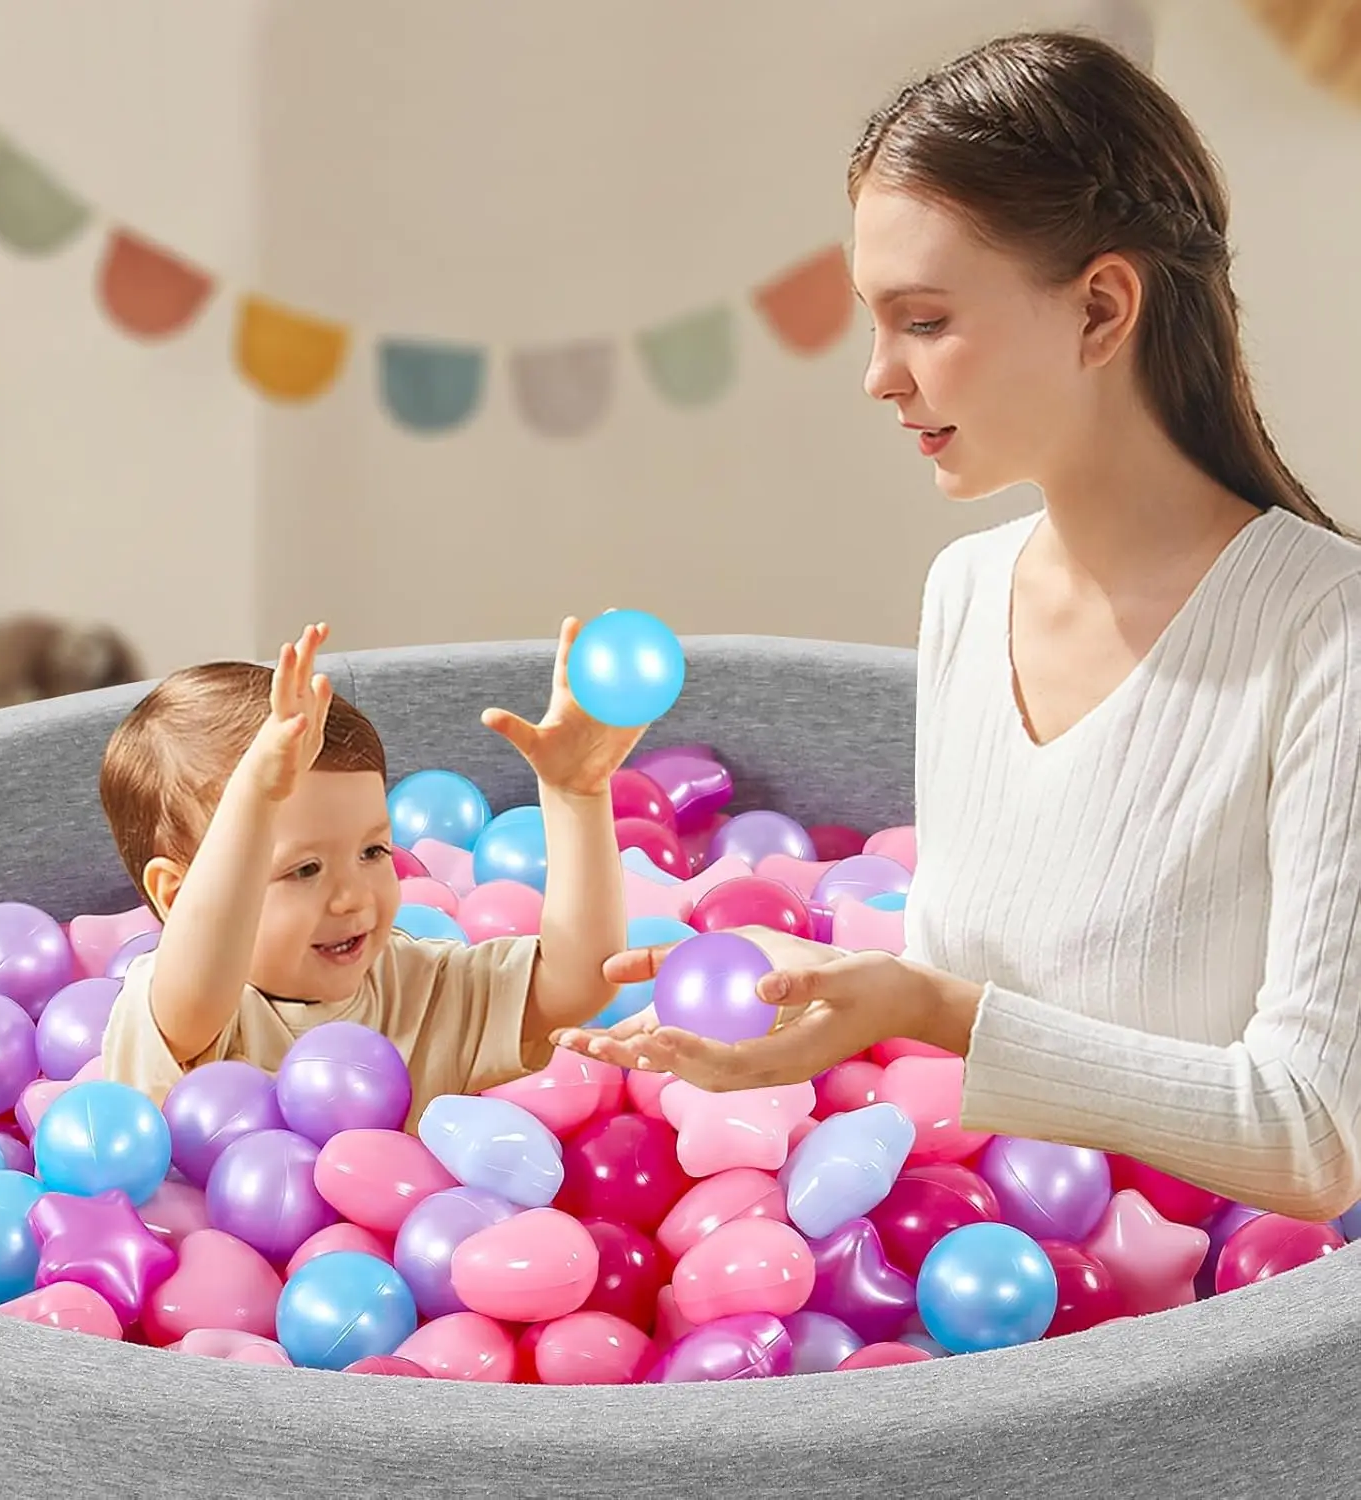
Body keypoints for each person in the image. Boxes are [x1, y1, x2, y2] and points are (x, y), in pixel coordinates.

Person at [554, 30, 1361, 1222]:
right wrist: (816, 1002)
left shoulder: (1326, 637)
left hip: (1212, 1340)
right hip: (979, 1289)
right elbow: (954, 990)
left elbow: (1316, 1138)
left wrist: (930, 1011)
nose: (878, 374)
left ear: (1101, 308)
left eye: (922, 321)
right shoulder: (965, 594)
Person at [99, 619, 640, 1129]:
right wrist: (253, 798)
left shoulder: (415, 985)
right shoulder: (182, 1007)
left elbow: (580, 982)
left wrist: (577, 797)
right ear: (177, 894)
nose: (351, 897)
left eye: (374, 851)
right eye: (305, 868)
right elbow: (201, 978)